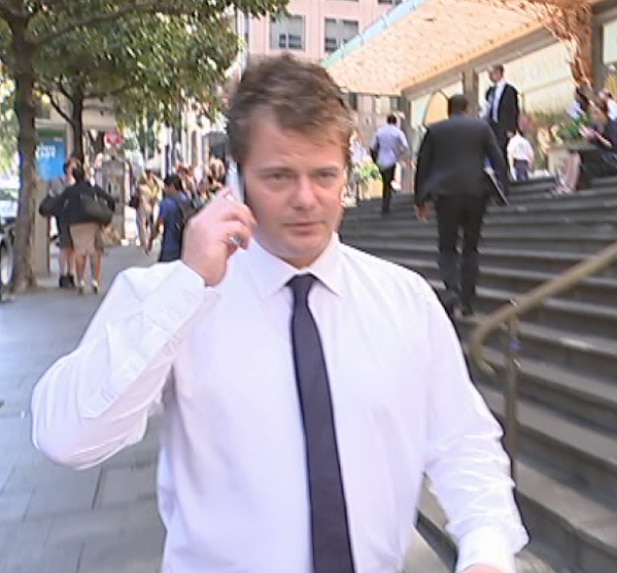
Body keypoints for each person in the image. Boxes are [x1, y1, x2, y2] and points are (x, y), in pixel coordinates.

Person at [31, 54, 527, 573]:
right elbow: (67, 436)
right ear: (236, 180)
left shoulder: (404, 301)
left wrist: (486, 553)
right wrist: (188, 287)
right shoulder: (165, 298)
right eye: (279, 176)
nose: (306, 199)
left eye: (324, 175)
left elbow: (463, 443)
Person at [415, 94, 509, 318]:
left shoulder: (436, 130)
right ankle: (467, 301)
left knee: (447, 246)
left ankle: (452, 289)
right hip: (476, 193)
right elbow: (498, 158)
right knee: (471, 247)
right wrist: (502, 190)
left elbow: (423, 164)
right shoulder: (481, 128)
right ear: (467, 108)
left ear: (449, 109)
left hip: (446, 195)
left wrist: (420, 200)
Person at [56, 162, 116, 295]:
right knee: (95, 251)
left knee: (79, 251)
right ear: (85, 175)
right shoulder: (92, 188)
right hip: (93, 222)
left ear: (73, 176)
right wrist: (107, 214)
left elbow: (60, 204)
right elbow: (109, 199)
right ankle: (95, 281)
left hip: (75, 224)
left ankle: (81, 281)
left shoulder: (69, 191)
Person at [45, 157, 78, 289]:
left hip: (75, 218)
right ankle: (63, 275)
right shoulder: (58, 181)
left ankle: (71, 273)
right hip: (63, 217)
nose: (74, 170)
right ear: (67, 168)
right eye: (73, 167)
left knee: (73, 247)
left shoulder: (78, 182)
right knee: (65, 246)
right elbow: (59, 197)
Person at [370, 114, 409, 215]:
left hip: (381, 159)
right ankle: (386, 203)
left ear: (387, 121)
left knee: (385, 182)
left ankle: (385, 203)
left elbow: (372, 146)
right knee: (389, 181)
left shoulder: (380, 131)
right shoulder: (398, 132)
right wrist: (399, 153)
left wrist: (374, 159)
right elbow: (405, 146)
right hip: (392, 159)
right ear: (395, 122)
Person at [147, 174, 191, 262]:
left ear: (172, 186)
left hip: (169, 245)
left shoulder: (167, 203)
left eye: (166, 187)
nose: (164, 190)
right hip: (185, 245)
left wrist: (151, 240)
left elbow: (159, 224)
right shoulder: (187, 200)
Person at [483, 64, 520, 159]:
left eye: (492, 73)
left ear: (499, 73)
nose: (490, 76)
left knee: (503, 151)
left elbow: (513, 110)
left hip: (504, 126)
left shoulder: (509, 90)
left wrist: (511, 128)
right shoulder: (490, 91)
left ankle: (504, 171)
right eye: (489, 74)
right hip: (492, 126)